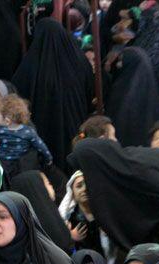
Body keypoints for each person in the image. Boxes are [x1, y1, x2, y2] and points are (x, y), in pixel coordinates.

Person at [11, 18, 93, 172]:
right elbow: (90, 90)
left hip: (43, 130)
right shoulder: (79, 62)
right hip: (75, 124)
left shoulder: (30, 66)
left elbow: (18, 93)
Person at [0, 95, 51, 178]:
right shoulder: (29, 131)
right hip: (22, 166)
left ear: (7, 121)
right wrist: (48, 159)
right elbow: (42, 147)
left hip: (2, 165)